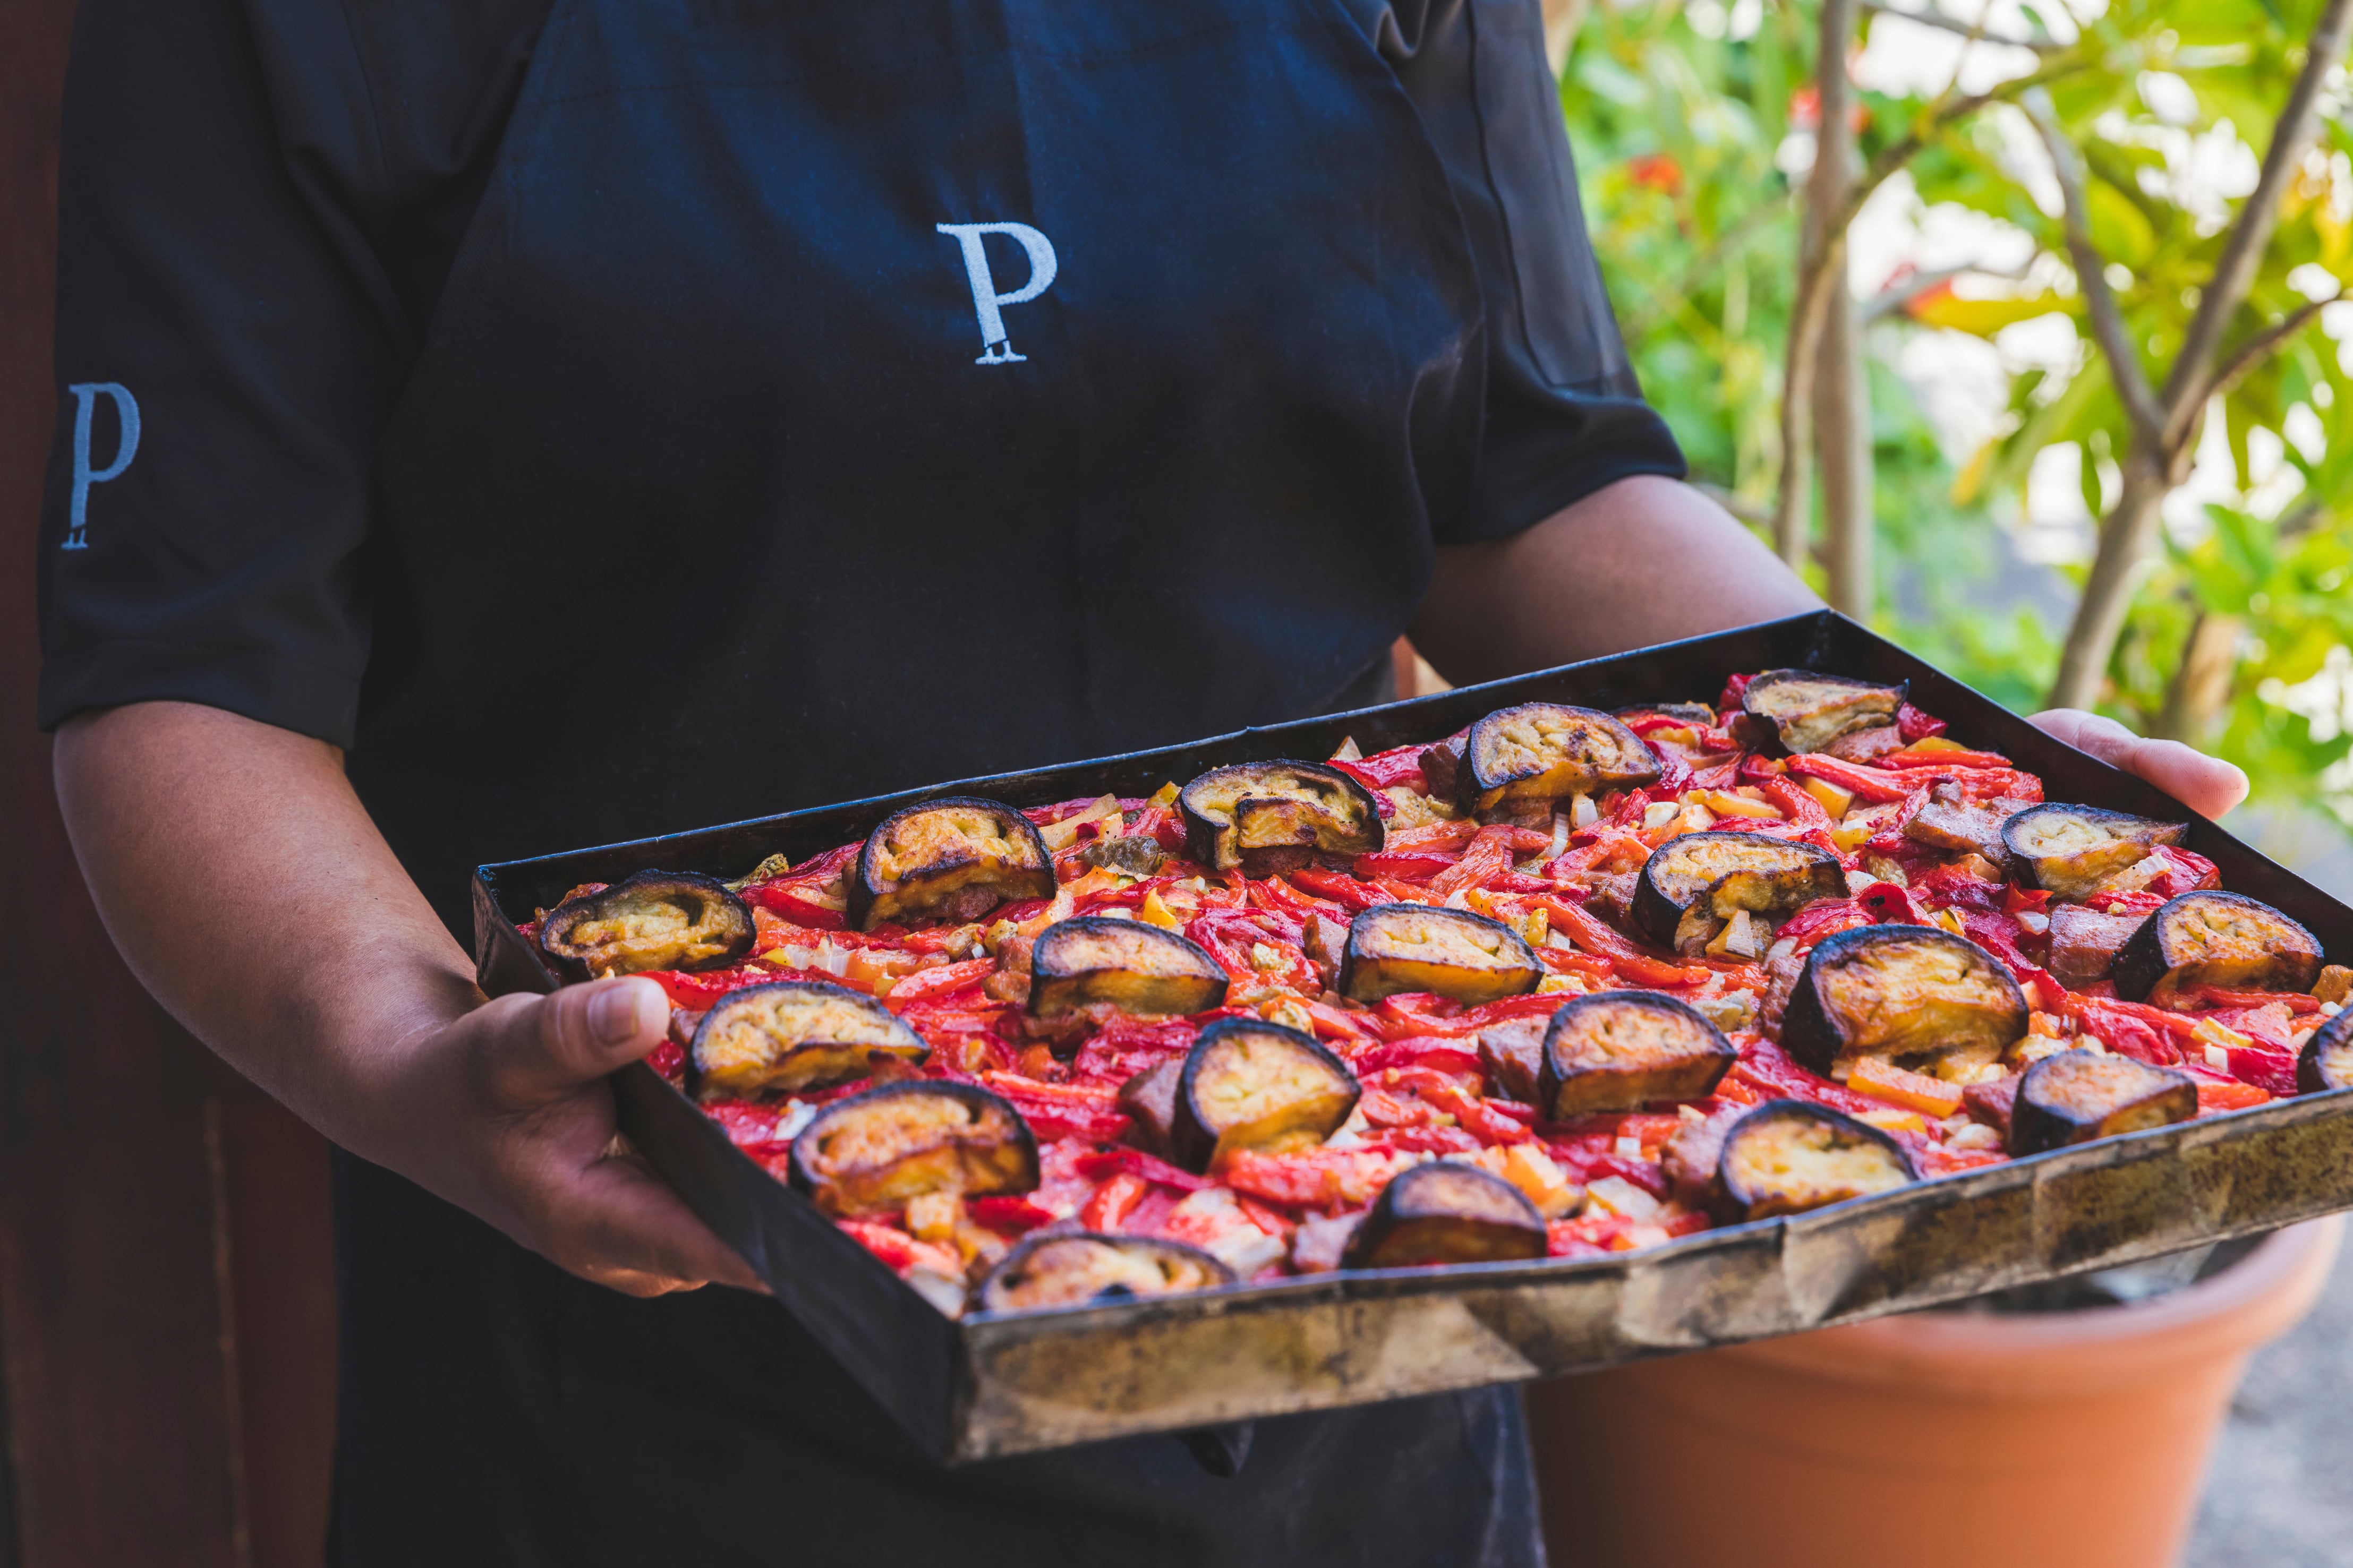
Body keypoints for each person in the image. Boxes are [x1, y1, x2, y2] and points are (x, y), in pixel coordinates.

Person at [36, 0, 2248, 1559]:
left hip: (1371, 1253)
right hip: (660, 1356)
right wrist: (412, 1052)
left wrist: (1931, 774)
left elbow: (1515, 470)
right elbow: (182, 675)